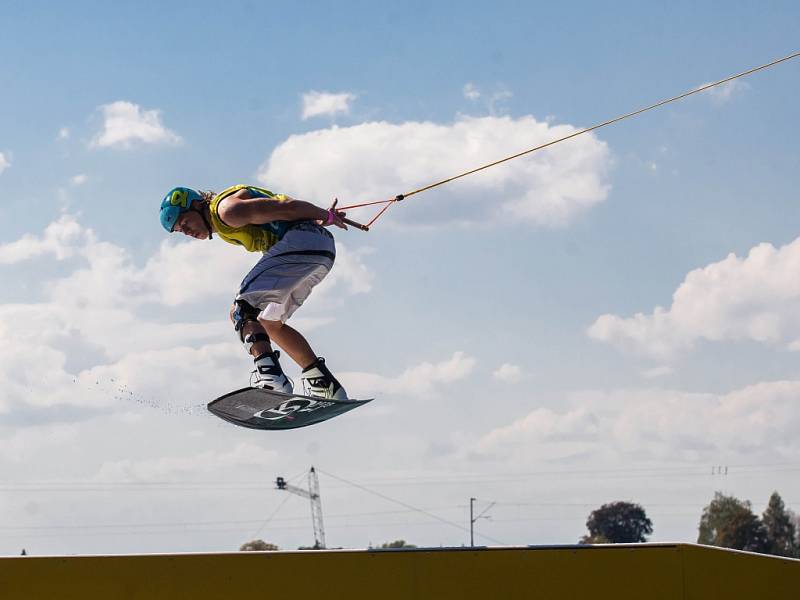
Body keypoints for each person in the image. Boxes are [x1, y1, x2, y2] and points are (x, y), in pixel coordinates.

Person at [159, 184, 349, 400]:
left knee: (241, 311)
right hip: (318, 251)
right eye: (179, 231)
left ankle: (272, 380)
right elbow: (287, 218)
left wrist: (324, 214)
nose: (186, 232)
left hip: (303, 243)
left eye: (184, 223)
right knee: (269, 322)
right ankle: (325, 385)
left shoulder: (226, 211)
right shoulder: (224, 224)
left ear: (196, 204)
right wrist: (322, 218)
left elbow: (285, 207)